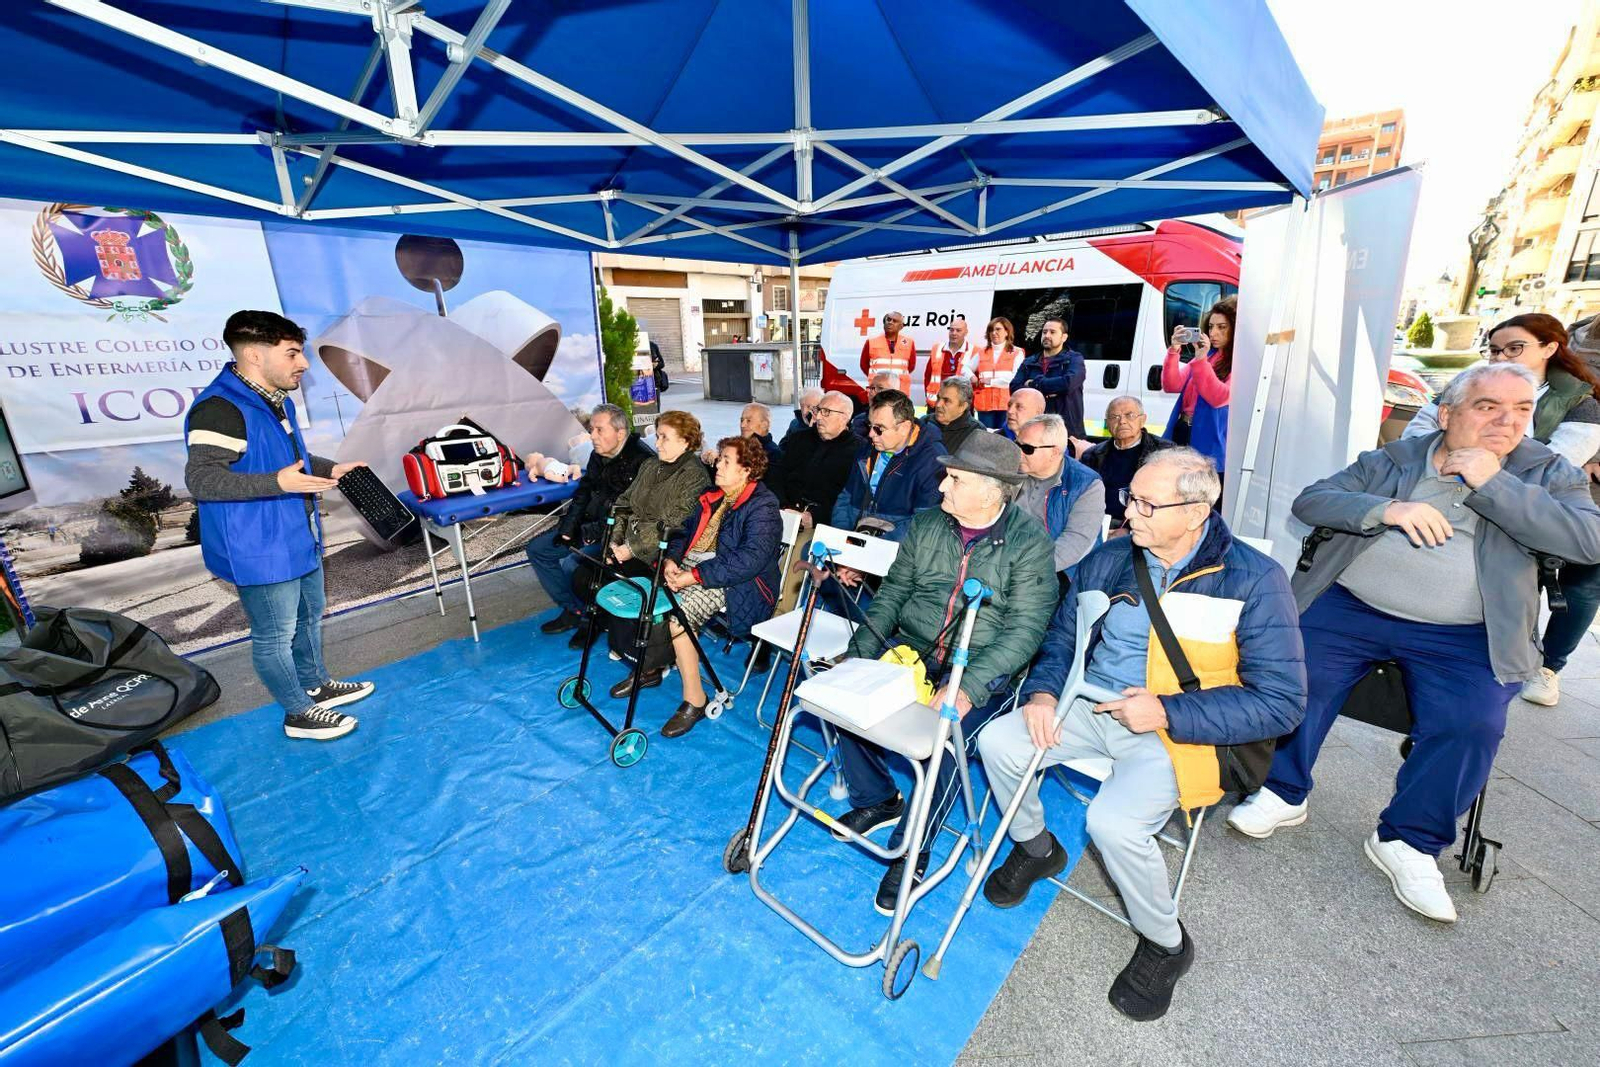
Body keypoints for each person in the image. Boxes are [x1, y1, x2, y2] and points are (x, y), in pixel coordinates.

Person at [1228, 362, 1600, 923]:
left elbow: (1586, 542)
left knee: (1472, 722)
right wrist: (1385, 509)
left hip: (1469, 630)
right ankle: (1282, 790)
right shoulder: (1398, 458)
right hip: (1353, 604)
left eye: (1521, 409)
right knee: (1294, 675)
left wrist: (1493, 483)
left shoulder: (1549, 473)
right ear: (1448, 413)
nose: (1506, 421)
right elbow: (1315, 500)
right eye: (1487, 406)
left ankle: (1409, 840)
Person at [978, 448, 1306, 1021]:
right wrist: (1044, 693)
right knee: (998, 743)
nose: (1130, 514)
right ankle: (1037, 848)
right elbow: (1062, 633)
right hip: (1089, 702)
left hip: (1180, 729)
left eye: (1149, 504)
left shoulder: (1256, 580)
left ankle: (1166, 943)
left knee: (1112, 823)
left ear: (1198, 511)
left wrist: (1169, 713)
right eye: (1130, 497)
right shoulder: (1110, 557)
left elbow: (1281, 702)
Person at [829, 432, 1057, 915]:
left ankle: (914, 846)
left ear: (991, 489)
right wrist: (858, 655)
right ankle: (879, 797)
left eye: (954, 479)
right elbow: (891, 593)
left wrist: (969, 688)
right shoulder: (929, 524)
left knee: (949, 741)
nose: (941, 488)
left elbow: (1026, 630)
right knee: (849, 697)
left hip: (982, 665)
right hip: (914, 646)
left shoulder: (1029, 542)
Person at [183, 310, 376, 741]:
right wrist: (278, 483)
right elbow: (201, 479)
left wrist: (332, 467)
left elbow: (289, 461)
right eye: (292, 353)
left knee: (309, 615)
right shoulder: (219, 408)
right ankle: (297, 713)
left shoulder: (275, 399)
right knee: (274, 635)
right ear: (254, 354)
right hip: (257, 546)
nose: (303, 363)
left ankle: (315, 684)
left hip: (294, 534)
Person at [1401, 315, 1600, 707]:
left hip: (1556, 504)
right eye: (1494, 349)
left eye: (1514, 348)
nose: (1499, 357)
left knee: (1580, 584)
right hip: (1472, 499)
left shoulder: (1581, 403)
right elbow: (1419, 436)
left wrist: (1482, 453)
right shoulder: (1468, 385)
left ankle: (1548, 666)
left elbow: (1549, 467)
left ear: (1549, 348)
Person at [659, 436, 782, 737]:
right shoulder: (713, 494)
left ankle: (695, 700)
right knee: (648, 597)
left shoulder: (763, 507)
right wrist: (671, 561)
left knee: (679, 616)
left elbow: (747, 561)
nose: (718, 463)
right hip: (698, 567)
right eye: (720, 457)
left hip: (739, 583)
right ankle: (649, 669)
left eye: (727, 460)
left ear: (746, 470)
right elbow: (683, 534)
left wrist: (694, 576)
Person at [605, 410, 712, 698]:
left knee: (637, 589)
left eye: (665, 436)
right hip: (632, 544)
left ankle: (648, 667)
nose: (658, 441)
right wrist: (614, 542)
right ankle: (637, 660)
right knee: (604, 579)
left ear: (686, 442)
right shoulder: (650, 465)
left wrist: (632, 549)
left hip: (663, 551)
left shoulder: (694, 475)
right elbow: (624, 502)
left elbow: (673, 522)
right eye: (657, 434)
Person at [529, 404, 654, 641]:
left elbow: (631, 516)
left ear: (620, 433)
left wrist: (590, 534)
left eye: (599, 430)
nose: (592, 436)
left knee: (571, 563)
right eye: (591, 430)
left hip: (621, 537)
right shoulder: (600, 454)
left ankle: (592, 620)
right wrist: (568, 528)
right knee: (538, 550)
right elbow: (583, 493)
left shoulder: (643, 462)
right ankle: (574, 609)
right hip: (590, 525)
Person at [766, 390, 860, 609]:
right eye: (818, 410)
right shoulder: (799, 438)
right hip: (784, 510)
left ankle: (779, 614)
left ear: (845, 417)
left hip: (818, 522)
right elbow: (776, 475)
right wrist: (782, 505)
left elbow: (849, 501)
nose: (817, 417)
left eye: (826, 412)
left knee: (797, 552)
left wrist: (813, 517)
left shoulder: (857, 451)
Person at [833, 389, 947, 542]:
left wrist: (871, 549)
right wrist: (842, 539)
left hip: (895, 548)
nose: (870, 434)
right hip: (856, 536)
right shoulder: (868, 448)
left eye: (879, 428)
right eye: (869, 425)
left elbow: (923, 523)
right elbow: (845, 498)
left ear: (905, 427)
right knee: (810, 551)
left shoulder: (932, 460)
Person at [1015, 415, 1103, 585]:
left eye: (1027, 448)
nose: (1018, 452)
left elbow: (1075, 542)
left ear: (1054, 452)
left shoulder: (1086, 484)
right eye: (1017, 444)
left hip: (1060, 571)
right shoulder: (1011, 471)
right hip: (1009, 560)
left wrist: (1024, 569)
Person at [1077, 396, 1173, 531]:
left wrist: (1129, 529)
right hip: (1097, 525)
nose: (1122, 421)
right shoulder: (1091, 456)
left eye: (1130, 415)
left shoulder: (1165, 453)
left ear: (1143, 419)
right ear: (1107, 423)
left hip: (1142, 527)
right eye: (1114, 417)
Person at [1161, 296, 1234, 474]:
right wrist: (1174, 350)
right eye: (1210, 326)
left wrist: (1201, 360)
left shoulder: (1239, 361)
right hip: (1183, 430)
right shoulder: (1208, 355)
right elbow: (1172, 385)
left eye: (1222, 327)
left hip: (1207, 440)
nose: (1213, 333)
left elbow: (1219, 397)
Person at [1010, 317, 1087, 438]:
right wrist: (1053, 387)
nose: (1047, 335)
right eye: (1044, 332)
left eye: (1052, 332)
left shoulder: (1074, 359)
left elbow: (1068, 383)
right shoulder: (1030, 361)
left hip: (1065, 429)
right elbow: (1014, 387)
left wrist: (1033, 384)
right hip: (1034, 428)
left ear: (1064, 337)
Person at [972, 317, 1023, 429]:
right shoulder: (982, 352)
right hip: (985, 404)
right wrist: (972, 377)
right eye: (991, 330)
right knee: (986, 437)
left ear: (1007, 332)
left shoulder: (1017, 352)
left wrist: (991, 381)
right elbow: (965, 368)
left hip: (1007, 404)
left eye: (998, 329)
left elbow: (1015, 378)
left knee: (1004, 437)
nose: (994, 333)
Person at [704, 402, 779, 469]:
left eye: (748, 421)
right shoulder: (736, 445)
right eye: (741, 420)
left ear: (764, 425)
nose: (742, 425)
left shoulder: (774, 455)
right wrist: (713, 460)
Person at [858, 310, 916, 397]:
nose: (890, 322)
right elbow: (864, 365)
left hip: (900, 390)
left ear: (901, 326)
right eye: (888, 319)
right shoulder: (871, 342)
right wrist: (878, 378)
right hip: (878, 390)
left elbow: (911, 366)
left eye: (895, 321)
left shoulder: (909, 342)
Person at [926, 376, 984, 456]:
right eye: (938, 398)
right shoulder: (924, 423)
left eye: (946, 401)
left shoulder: (977, 432)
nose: (938, 405)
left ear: (963, 407)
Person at [924, 317, 973, 407]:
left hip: (959, 406)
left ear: (966, 332)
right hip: (936, 403)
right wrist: (928, 397)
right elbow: (928, 375)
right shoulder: (937, 348)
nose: (954, 333)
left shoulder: (974, 351)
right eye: (951, 330)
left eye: (958, 330)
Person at [850, 371, 899, 442]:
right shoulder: (859, 420)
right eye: (871, 387)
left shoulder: (902, 422)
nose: (872, 392)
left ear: (895, 392)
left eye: (880, 388)